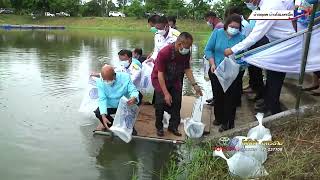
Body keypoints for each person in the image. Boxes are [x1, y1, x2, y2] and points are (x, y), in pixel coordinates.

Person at [224, 0, 296, 115]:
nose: (248, 2)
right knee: (271, 78)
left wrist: (233, 49)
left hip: (284, 47)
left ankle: (274, 111)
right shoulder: (266, 5)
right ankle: (268, 104)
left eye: (248, 0)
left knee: (274, 81)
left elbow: (255, 36)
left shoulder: (269, 7)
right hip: (277, 45)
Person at [152, 32, 203, 137]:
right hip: (160, 79)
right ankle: (159, 127)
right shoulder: (164, 53)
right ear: (179, 44)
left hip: (175, 79)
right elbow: (160, 74)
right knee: (160, 104)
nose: (188, 49)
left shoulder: (186, 53)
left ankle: (173, 126)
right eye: (187, 46)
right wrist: (166, 93)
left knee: (177, 102)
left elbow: (187, 68)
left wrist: (195, 85)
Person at [205, 14, 245, 132]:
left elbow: (245, 56)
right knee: (218, 96)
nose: (234, 29)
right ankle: (219, 118)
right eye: (232, 26)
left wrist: (238, 63)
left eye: (237, 27)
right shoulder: (217, 33)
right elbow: (208, 49)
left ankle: (228, 123)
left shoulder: (242, 38)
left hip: (232, 73)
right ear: (226, 25)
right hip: (216, 70)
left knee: (230, 99)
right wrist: (212, 63)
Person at [93, 65, 141, 135]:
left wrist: (133, 97)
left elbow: (133, 90)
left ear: (114, 75)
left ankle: (129, 127)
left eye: (109, 79)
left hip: (124, 104)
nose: (107, 82)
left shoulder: (125, 77)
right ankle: (112, 126)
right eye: (105, 80)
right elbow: (102, 98)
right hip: (110, 104)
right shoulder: (100, 82)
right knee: (98, 112)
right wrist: (103, 116)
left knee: (131, 131)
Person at [204, 11, 224, 106]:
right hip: (214, 57)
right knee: (213, 77)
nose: (207, 22)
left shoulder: (219, 26)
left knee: (214, 78)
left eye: (207, 19)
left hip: (217, 58)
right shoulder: (217, 26)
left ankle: (217, 99)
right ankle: (215, 97)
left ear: (211, 18)